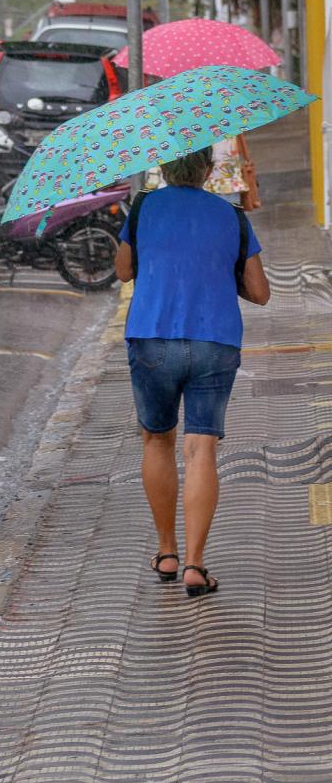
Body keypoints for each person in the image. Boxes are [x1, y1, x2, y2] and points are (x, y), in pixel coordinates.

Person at [114, 145, 270, 597]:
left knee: (157, 439)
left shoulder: (143, 207)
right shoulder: (232, 215)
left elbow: (123, 272)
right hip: (214, 340)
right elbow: (260, 292)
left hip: (152, 336)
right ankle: (196, 566)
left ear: (163, 168)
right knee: (201, 449)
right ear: (207, 170)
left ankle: (166, 552)